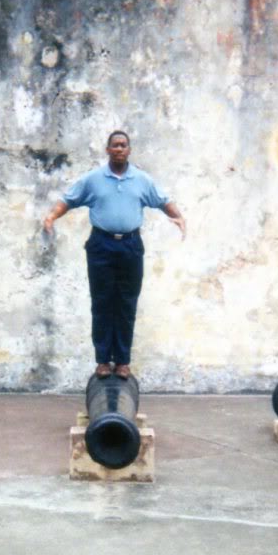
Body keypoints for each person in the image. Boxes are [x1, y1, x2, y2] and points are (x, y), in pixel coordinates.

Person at [42, 130, 186, 380]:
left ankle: (122, 362)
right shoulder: (93, 179)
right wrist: (52, 217)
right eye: (115, 145)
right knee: (102, 303)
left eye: (123, 145)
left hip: (131, 246)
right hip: (101, 245)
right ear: (108, 150)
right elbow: (69, 199)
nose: (119, 149)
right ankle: (102, 361)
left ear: (129, 150)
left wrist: (179, 217)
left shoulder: (142, 180)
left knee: (126, 304)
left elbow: (163, 200)